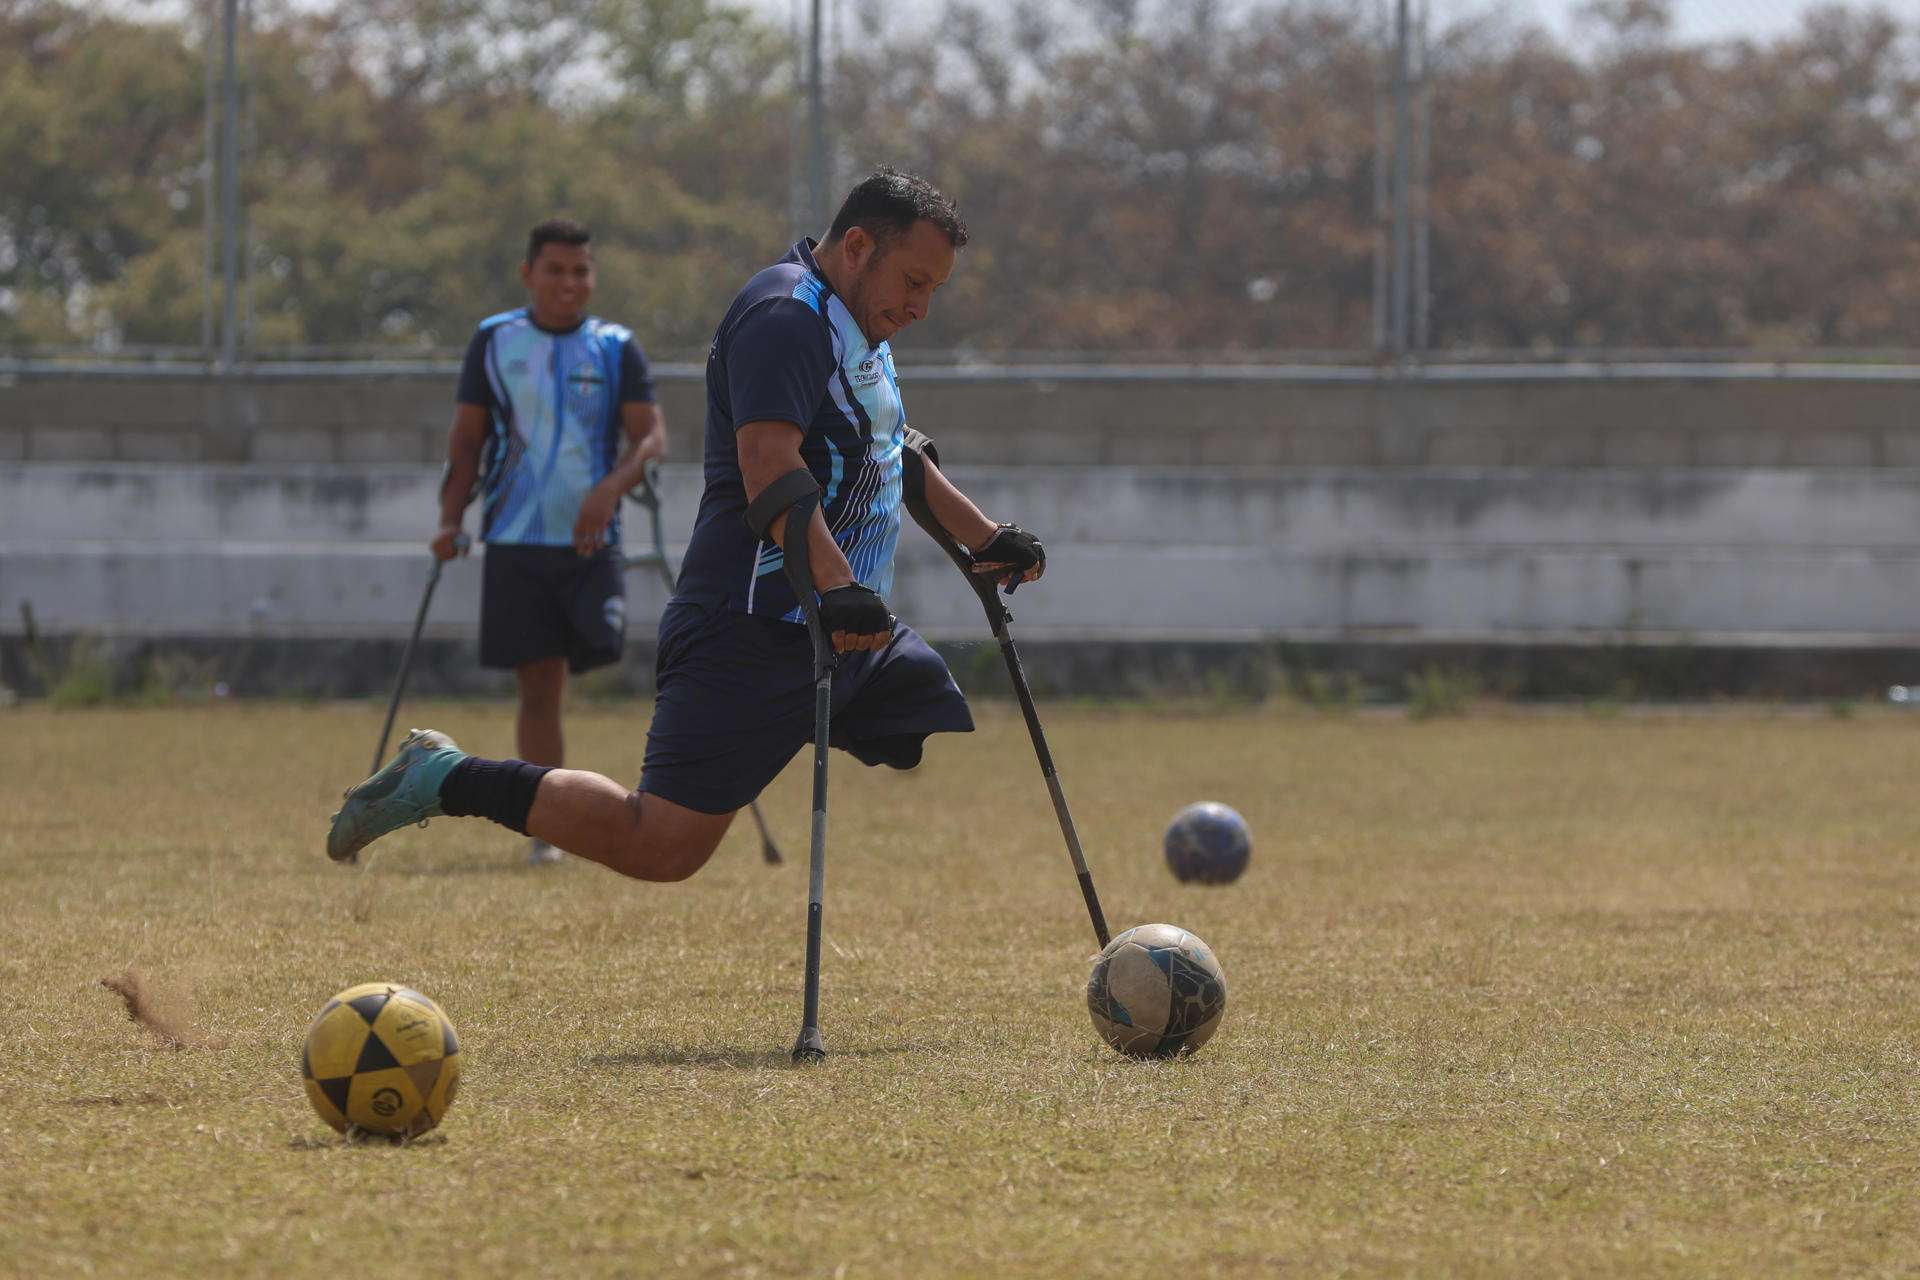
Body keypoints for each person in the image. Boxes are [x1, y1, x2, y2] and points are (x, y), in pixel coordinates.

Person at [328, 168, 1045, 882]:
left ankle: (795, 719)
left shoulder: (857, 324)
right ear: (858, 246)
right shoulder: (786, 317)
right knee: (658, 845)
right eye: (914, 282)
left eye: (933, 289)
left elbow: (889, 451)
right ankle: (446, 777)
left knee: (914, 706)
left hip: (836, 624)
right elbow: (768, 464)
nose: (921, 307)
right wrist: (837, 585)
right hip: (750, 625)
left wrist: (984, 537)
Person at [430, 218, 666, 866]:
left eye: (581, 271)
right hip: (516, 539)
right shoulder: (495, 339)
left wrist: (610, 490)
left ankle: (654, 808)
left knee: (615, 668)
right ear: (528, 274)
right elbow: (467, 441)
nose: (569, 283)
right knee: (539, 685)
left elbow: (650, 438)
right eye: (555, 270)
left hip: (592, 544)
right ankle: (549, 828)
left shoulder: (616, 346)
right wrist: (450, 521)